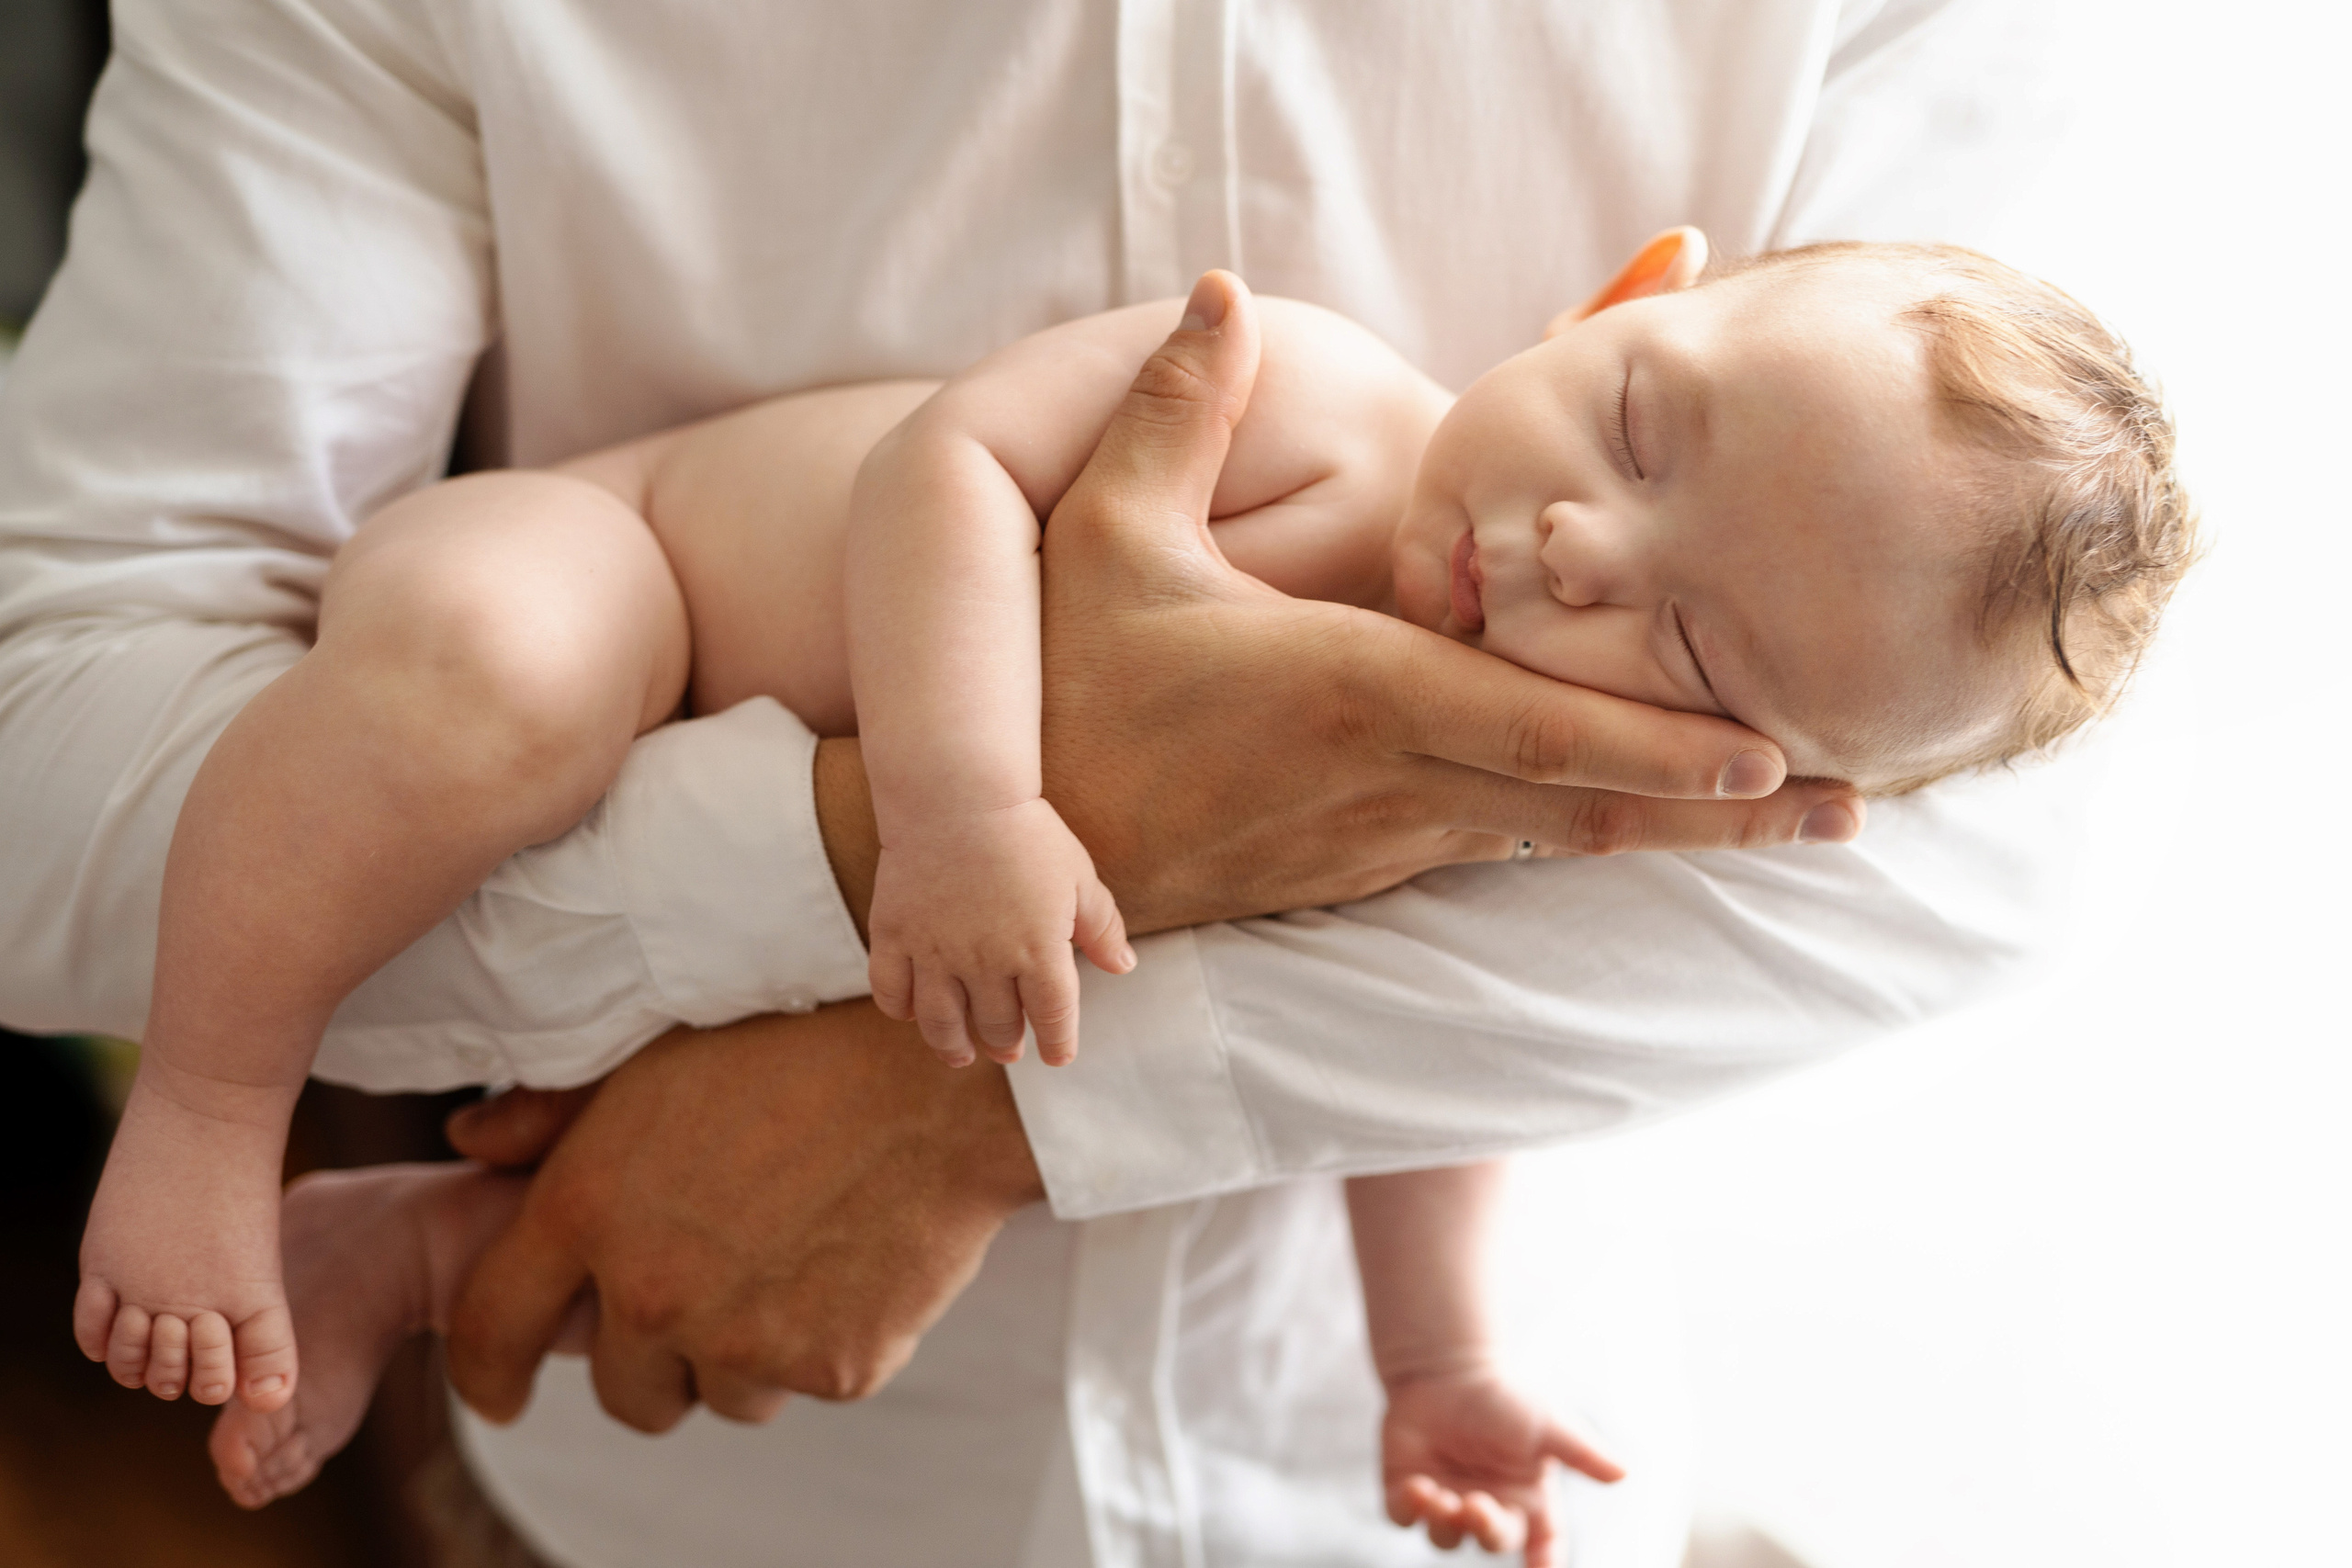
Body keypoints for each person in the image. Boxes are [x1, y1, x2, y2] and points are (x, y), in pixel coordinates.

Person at [1, 2, 2093, 1562]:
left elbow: (1436, 1069)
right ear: (1632, 296)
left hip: (1277, 1486)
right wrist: (951, 812)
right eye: (1635, 431)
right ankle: (205, 1103)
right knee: (498, 699)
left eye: (1696, 644)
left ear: (1764, 757)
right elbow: (955, 471)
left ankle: (399, 1250)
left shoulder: (1516, 703)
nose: (1582, 551)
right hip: (630, 568)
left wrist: (1435, 1356)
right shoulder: (1314, 392)